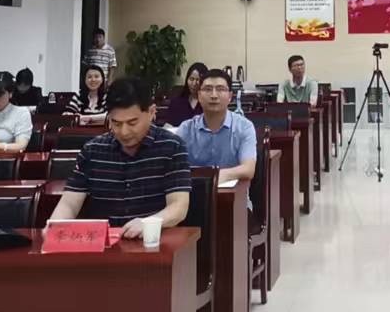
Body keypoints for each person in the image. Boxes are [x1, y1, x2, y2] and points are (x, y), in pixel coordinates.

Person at [50, 77, 192, 235]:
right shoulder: (92, 150)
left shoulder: (172, 146)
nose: (124, 132)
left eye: (132, 123)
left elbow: (178, 207)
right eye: (116, 123)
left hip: (153, 240)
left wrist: (148, 223)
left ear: (151, 112)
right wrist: (54, 227)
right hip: (104, 243)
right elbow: (69, 203)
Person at [176, 68, 258, 183]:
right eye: (208, 89)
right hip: (194, 192)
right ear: (199, 96)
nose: (214, 95)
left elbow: (248, 169)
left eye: (220, 89)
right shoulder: (186, 129)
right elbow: (173, 167)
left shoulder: (244, 127)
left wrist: (216, 177)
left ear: (230, 96)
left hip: (233, 193)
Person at [162, 61, 207, 126]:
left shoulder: (208, 104)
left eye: (198, 80)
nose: (194, 84)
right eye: (191, 79)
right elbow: (168, 125)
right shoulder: (176, 102)